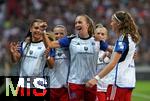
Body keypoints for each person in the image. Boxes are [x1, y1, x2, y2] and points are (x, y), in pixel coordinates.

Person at [42, 14, 112, 101]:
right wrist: (43, 32)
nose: (77, 25)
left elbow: (112, 50)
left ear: (87, 25)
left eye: (80, 22)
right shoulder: (71, 40)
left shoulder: (97, 41)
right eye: (76, 23)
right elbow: (50, 44)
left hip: (91, 82)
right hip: (75, 83)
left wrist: (127, 53)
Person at [86, 11, 141, 101]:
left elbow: (112, 64)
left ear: (118, 24)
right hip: (129, 82)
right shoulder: (131, 38)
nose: (111, 24)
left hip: (118, 82)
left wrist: (96, 79)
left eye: (112, 21)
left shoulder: (122, 40)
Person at [9, 19, 52, 100]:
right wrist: (12, 53)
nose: (38, 31)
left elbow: (51, 65)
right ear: (31, 29)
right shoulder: (23, 45)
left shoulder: (45, 46)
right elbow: (15, 60)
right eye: (36, 28)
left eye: (40, 29)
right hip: (23, 85)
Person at [47, 25, 70, 101]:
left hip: (66, 87)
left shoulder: (71, 47)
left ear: (66, 35)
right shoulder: (50, 48)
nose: (58, 35)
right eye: (56, 34)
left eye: (61, 33)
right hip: (52, 86)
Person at [94, 24, 114, 101]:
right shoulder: (91, 51)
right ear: (94, 35)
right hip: (98, 89)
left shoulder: (112, 50)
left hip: (110, 88)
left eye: (103, 34)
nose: (100, 36)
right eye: (98, 34)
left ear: (106, 36)